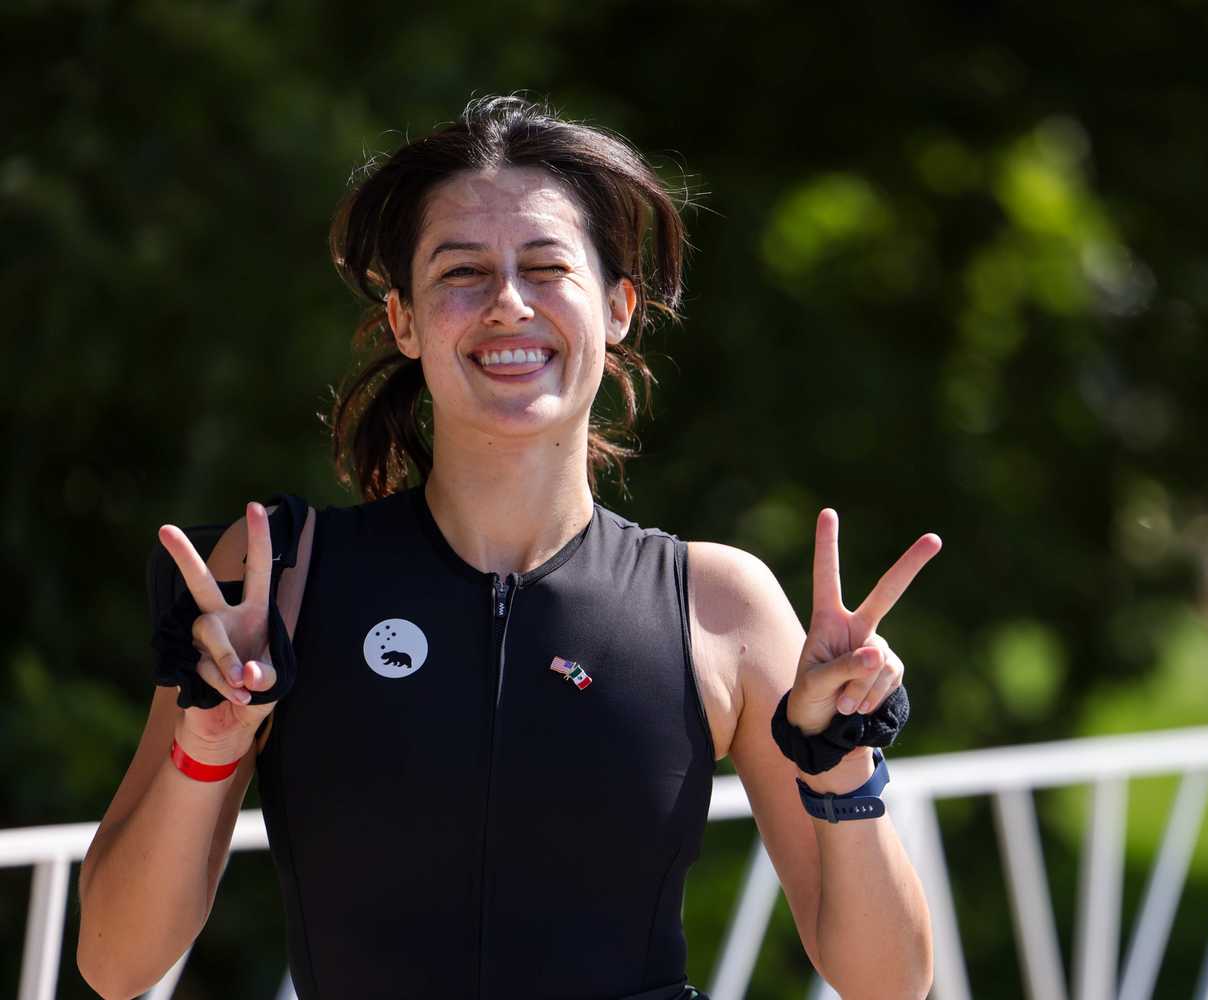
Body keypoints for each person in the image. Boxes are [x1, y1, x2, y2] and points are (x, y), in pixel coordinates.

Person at [76, 95, 940, 1000]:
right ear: (405, 321)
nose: (508, 305)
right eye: (462, 272)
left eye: (545, 266)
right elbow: (115, 964)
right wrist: (209, 741)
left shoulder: (718, 604)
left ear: (617, 308)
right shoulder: (276, 580)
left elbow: (888, 985)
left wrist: (842, 755)